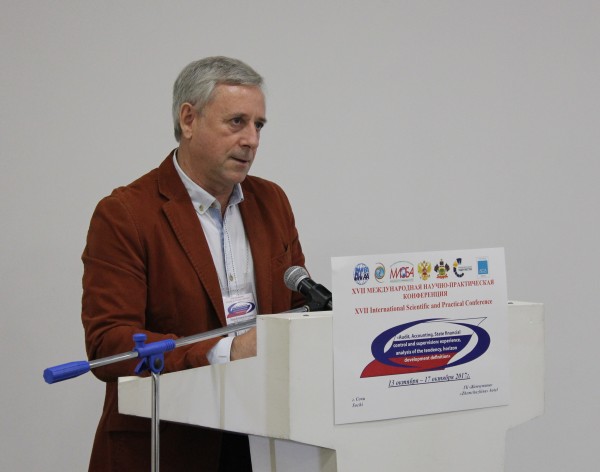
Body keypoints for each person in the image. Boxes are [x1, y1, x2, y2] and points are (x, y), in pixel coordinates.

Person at [81, 56, 307, 471]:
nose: (252, 140)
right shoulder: (126, 214)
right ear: (188, 120)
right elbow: (110, 344)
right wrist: (227, 351)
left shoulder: (272, 202)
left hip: (263, 437)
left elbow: (299, 308)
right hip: (170, 443)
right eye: (237, 122)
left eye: (259, 125)